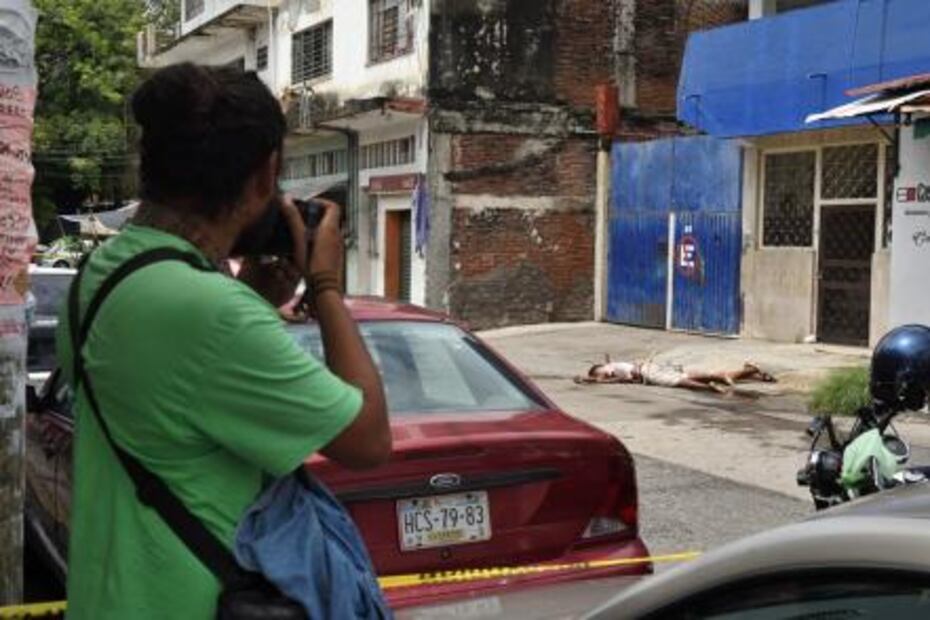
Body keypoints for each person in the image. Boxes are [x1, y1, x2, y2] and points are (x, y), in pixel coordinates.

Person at [57, 63, 390, 618]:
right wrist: (327, 285)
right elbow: (368, 442)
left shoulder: (104, 273)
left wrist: (249, 297)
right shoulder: (211, 312)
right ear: (266, 175)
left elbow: (165, 403)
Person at [574, 355, 775, 393]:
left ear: (599, 369)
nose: (603, 378)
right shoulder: (613, 366)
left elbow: (623, 378)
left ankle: (712, 389)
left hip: (648, 371)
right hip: (652, 367)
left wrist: (592, 380)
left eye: (599, 374)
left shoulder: (610, 370)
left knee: (680, 382)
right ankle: (749, 371)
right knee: (708, 374)